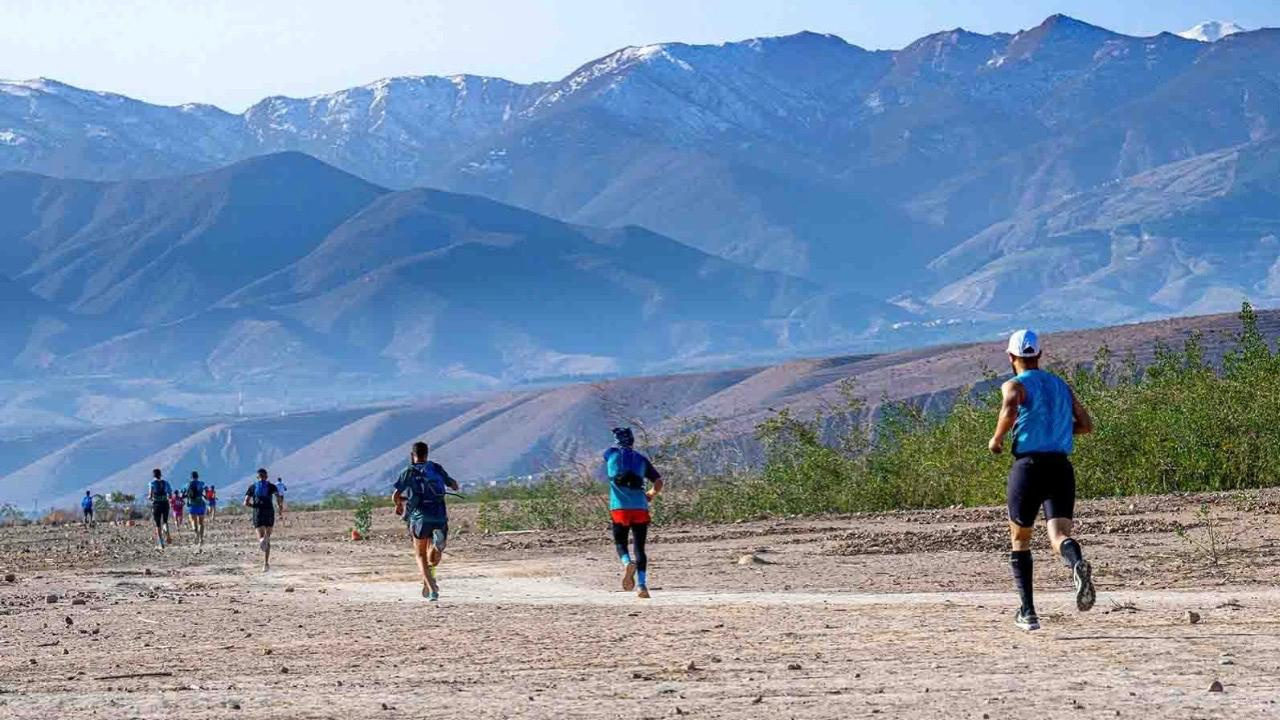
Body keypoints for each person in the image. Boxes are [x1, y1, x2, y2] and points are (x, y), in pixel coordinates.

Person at [989, 329, 1097, 631]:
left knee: (1021, 539)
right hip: (1060, 468)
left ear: (1012, 358)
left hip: (1029, 467)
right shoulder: (1061, 386)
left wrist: (996, 439)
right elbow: (1086, 425)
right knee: (1059, 536)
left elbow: (1010, 406)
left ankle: (1028, 612)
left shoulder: (1014, 384)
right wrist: (1059, 432)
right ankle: (1075, 563)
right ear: (1038, 355)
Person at [392, 441, 459, 601]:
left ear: (412, 455)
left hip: (420, 517)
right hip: (439, 515)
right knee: (432, 554)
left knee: (420, 555)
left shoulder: (408, 471)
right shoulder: (435, 468)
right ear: (427, 454)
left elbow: (395, 495)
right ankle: (436, 549)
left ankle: (432, 590)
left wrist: (399, 506)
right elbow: (454, 486)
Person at [604, 427, 663, 599]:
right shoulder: (641, 459)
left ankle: (626, 563)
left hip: (619, 508)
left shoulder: (610, 454)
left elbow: (611, 458)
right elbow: (658, 481)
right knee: (640, 547)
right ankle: (642, 586)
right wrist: (651, 494)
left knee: (620, 542)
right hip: (640, 507)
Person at [244, 469, 284, 572]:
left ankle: (262, 540)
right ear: (266, 476)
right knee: (268, 536)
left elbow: (245, 502)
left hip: (258, 512)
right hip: (269, 511)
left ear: (257, 477)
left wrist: (254, 506)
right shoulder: (271, 486)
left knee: (261, 537)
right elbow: (278, 498)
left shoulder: (252, 487)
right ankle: (265, 563)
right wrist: (280, 507)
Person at [147, 469, 172, 549]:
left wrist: (149, 498)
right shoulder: (166, 483)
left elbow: (150, 496)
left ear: (153, 475)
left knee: (158, 524)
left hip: (157, 504)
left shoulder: (152, 483)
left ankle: (161, 544)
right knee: (165, 521)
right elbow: (170, 495)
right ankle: (167, 534)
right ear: (161, 475)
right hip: (165, 503)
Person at [186, 471, 208, 551]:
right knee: (201, 523)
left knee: (193, 521)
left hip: (193, 505)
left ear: (191, 477)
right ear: (198, 476)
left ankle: (196, 534)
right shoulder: (201, 483)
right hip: (201, 504)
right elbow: (206, 493)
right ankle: (201, 538)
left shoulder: (188, 484)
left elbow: (185, 493)